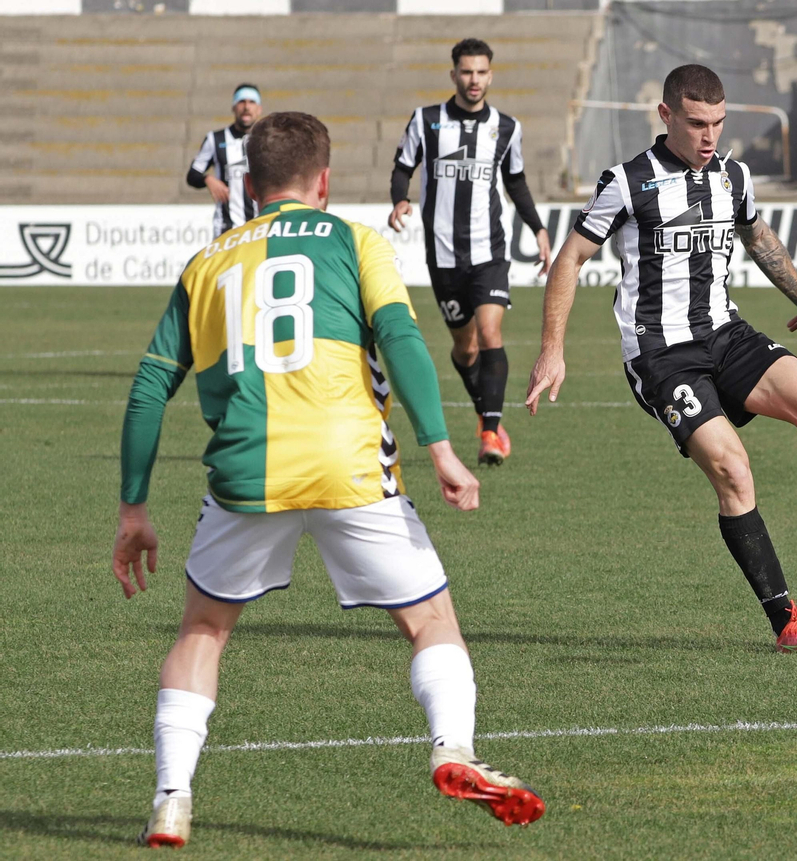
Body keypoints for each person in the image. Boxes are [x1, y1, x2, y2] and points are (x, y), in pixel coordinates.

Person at [116, 111, 544, 848]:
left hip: (246, 475)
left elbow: (150, 387)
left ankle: (171, 796)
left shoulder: (208, 262)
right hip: (351, 467)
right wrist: (441, 448)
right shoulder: (354, 240)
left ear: (249, 185)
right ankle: (454, 748)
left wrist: (133, 509)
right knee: (430, 621)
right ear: (324, 181)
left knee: (204, 631)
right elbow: (403, 337)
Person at [524, 64, 797, 653]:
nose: (709, 136)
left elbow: (758, 237)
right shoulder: (627, 182)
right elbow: (569, 260)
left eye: (717, 122)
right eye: (696, 123)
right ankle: (787, 622)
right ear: (666, 117)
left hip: (726, 333)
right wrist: (551, 351)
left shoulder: (732, 176)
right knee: (734, 472)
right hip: (663, 355)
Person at [390, 37, 552, 466]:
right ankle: (489, 415)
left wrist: (537, 228)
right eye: (466, 72)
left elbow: (515, 182)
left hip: (489, 251)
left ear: (490, 75)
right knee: (465, 350)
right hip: (443, 255)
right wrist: (399, 199)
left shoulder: (506, 127)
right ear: (454, 75)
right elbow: (403, 165)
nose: (474, 80)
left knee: (489, 333)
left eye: (481, 72)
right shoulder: (426, 121)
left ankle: (489, 433)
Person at [187, 84, 262, 237]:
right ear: (233, 107)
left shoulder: (267, 140)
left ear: (259, 108)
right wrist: (207, 178)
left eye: (252, 102)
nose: (246, 107)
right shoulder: (215, 139)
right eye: (241, 101)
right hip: (226, 228)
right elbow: (192, 175)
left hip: (259, 227)